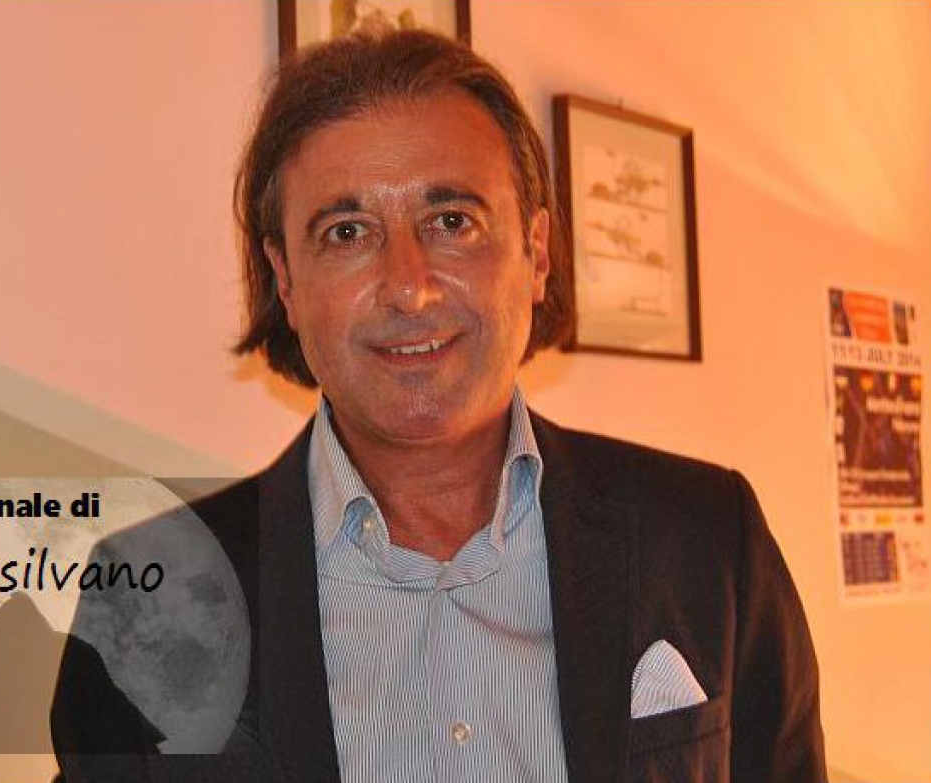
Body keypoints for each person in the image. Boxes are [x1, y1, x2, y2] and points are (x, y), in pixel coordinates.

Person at [52, 29, 827, 783]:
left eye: (452, 222)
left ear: (537, 252)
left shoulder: (706, 537)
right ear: (285, 279)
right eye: (347, 232)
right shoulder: (146, 599)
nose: (408, 286)